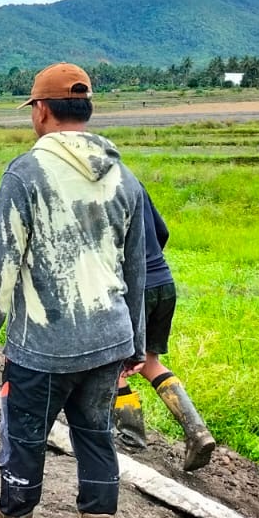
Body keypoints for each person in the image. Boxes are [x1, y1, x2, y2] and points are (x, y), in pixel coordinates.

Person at [0, 63, 145, 518]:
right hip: (110, 336)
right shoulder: (123, 175)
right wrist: (138, 343)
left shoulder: (26, 174)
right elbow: (137, 267)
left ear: (40, 110)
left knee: (24, 439)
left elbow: (1, 263)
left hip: (45, 341)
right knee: (97, 438)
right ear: (86, 110)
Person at [111, 184, 216, 471]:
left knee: (115, 360)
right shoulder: (133, 182)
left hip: (135, 287)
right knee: (148, 360)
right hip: (163, 281)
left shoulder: (100, 186)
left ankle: (130, 438)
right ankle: (197, 430)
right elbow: (162, 231)